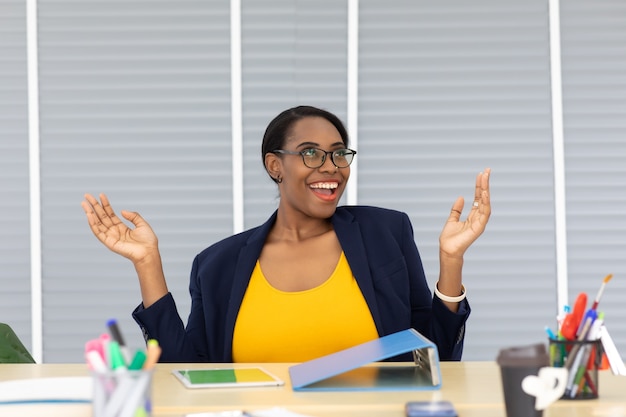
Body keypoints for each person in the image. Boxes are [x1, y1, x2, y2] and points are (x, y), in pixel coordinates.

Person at [81, 105, 491, 363]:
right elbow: (185, 373)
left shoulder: (384, 232)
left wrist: (451, 261)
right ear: (275, 166)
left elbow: (436, 359)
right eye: (311, 153)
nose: (331, 166)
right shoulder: (216, 264)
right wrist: (147, 264)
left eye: (339, 152)